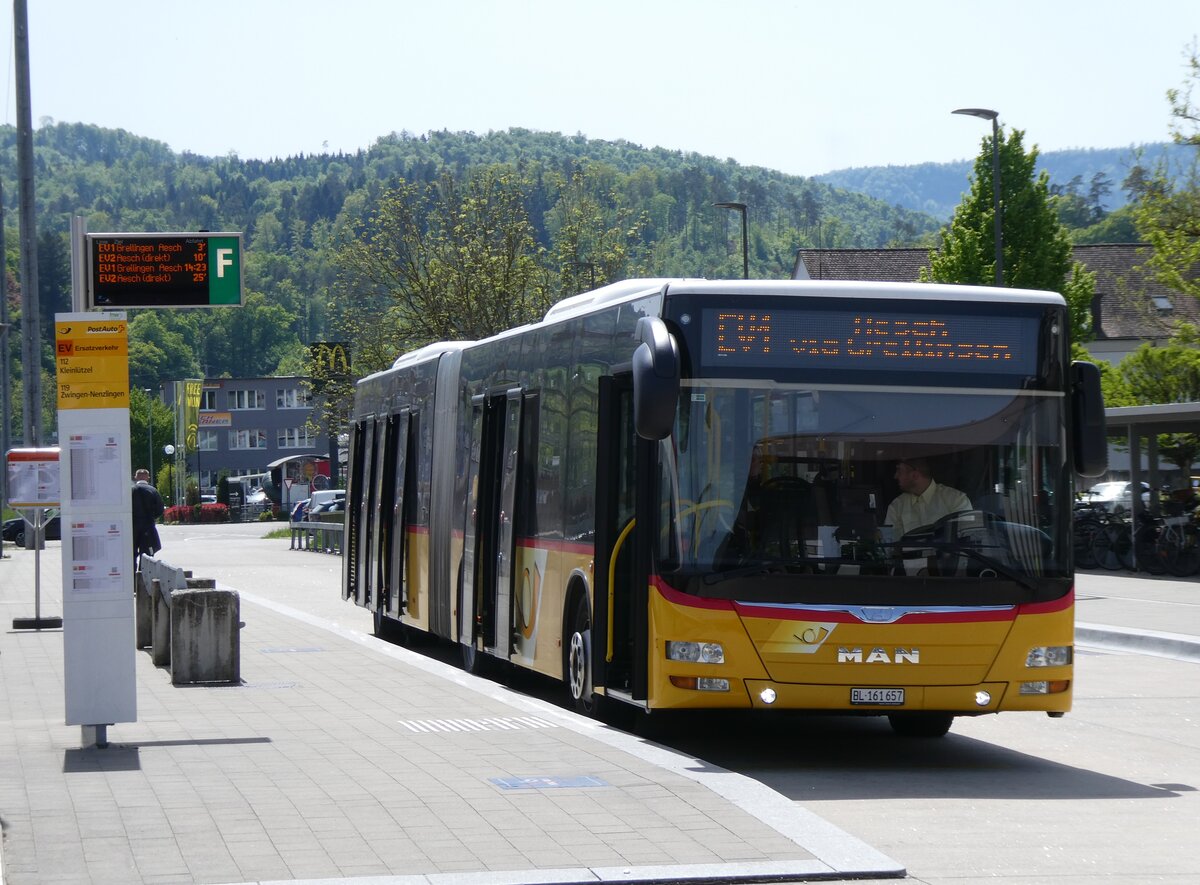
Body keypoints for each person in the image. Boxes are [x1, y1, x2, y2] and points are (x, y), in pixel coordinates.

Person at [883, 458, 972, 538]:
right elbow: (891, 544)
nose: (895, 476)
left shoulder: (956, 500)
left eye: (899, 471)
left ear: (915, 475)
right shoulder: (897, 506)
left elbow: (967, 538)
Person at [132, 468, 165, 566]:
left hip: (132, 526)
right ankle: (143, 573)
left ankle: (132, 573)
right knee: (147, 554)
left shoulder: (130, 490)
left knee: (131, 553)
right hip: (148, 527)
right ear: (148, 478)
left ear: (135, 477)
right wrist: (152, 517)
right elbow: (160, 509)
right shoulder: (153, 491)